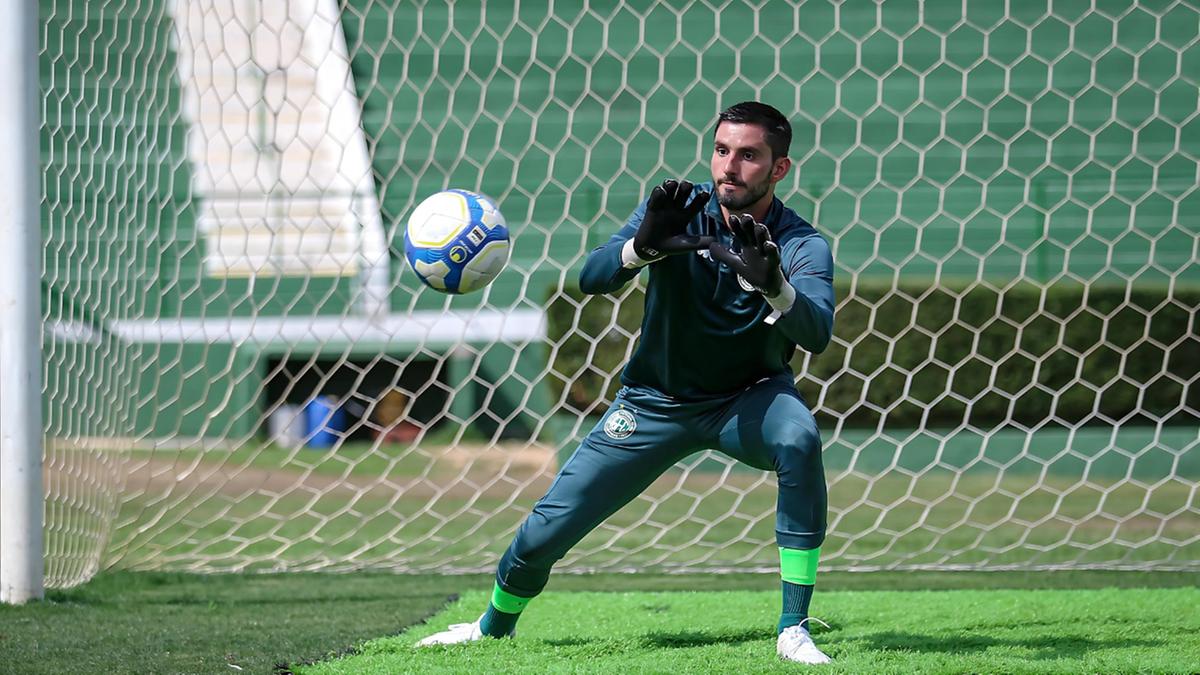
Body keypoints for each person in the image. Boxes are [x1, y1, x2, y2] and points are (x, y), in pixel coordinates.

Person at [417, 101, 836, 665]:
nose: (729, 167)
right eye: (720, 151)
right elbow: (592, 276)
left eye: (748, 155)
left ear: (779, 168)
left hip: (749, 399)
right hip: (653, 403)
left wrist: (776, 288)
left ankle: (793, 628)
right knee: (544, 533)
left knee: (799, 439)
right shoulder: (676, 210)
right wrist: (644, 246)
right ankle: (492, 626)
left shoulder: (801, 243)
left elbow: (816, 333)